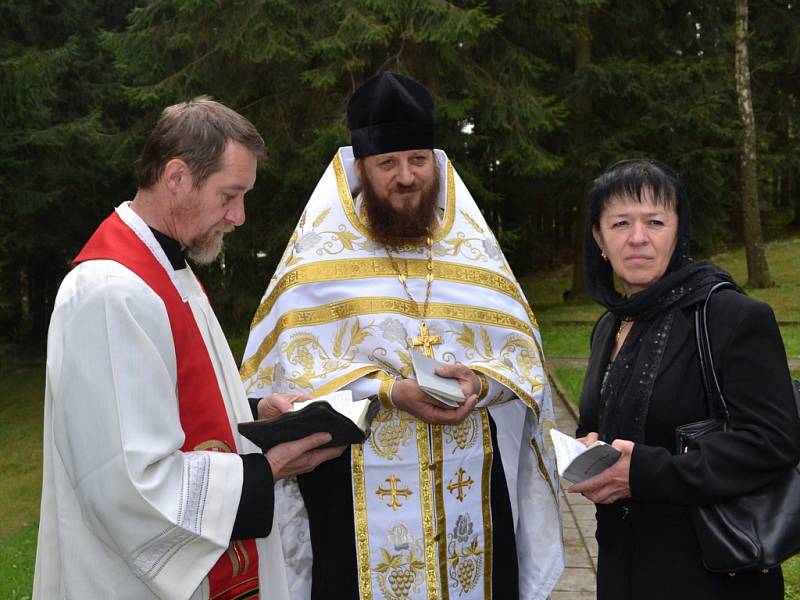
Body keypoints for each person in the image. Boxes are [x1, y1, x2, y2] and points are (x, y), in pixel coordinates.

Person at [241, 71, 564, 599]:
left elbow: (524, 363)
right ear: (360, 167)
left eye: (418, 160)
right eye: (387, 164)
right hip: (352, 500)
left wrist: (482, 385)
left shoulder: (472, 250)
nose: (407, 177)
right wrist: (389, 389)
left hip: (470, 497)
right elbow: (282, 382)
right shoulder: (316, 263)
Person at [33, 98, 345, 600]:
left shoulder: (169, 272)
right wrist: (267, 471)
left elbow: (167, 407)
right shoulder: (112, 290)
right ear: (177, 176)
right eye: (230, 194)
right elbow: (130, 484)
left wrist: (255, 414)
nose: (239, 216)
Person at [572, 158, 800, 599]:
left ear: (678, 232)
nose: (638, 238)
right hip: (623, 568)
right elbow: (609, 423)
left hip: (712, 574)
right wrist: (589, 449)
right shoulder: (610, 326)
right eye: (620, 223)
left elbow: (774, 443)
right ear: (599, 239)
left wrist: (643, 473)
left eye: (655, 221)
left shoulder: (731, 316)